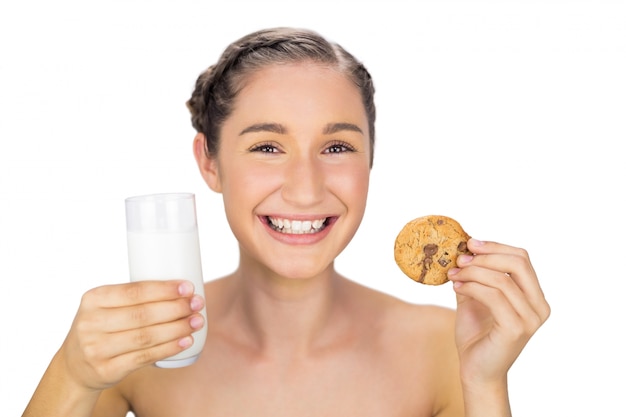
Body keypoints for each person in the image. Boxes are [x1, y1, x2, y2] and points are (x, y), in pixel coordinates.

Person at [23, 27, 550, 417]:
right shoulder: (144, 348)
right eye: (268, 146)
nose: (305, 188)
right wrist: (72, 374)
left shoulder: (443, 347)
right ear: (209, 161)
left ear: (370, 159)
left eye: (337, 146)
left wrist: (485, 384)